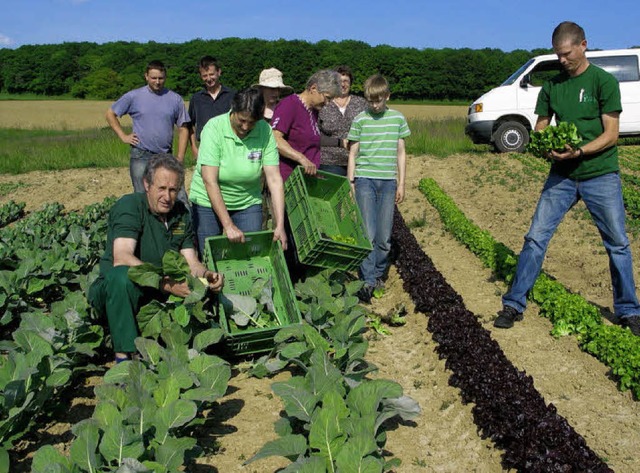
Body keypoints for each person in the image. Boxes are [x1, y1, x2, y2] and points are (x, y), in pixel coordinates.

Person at [494, 21, 640, 337]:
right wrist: (547, 147)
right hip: (561, 176)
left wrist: (580, 152)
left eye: (566, 54)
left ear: (583, 45)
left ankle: (628, 311)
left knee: (617, 244)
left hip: (600, 174)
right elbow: (542, 127)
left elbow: (611, 135)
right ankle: (514, 304)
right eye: (558, 55)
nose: (562, 60)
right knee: (535, 238)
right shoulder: (552, 87)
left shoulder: (603, 82)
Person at [88, 154, 223, 362]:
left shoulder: (180, 214)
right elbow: (122, 257)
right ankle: (124, 357)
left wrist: (206, 274)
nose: (167, 197)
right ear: (146, 184)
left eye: (173, 190)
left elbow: (190, 261)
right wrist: (165, 284)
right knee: (121, 277)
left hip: (156, 297)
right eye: (161, 188)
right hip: (118, 293)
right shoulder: (131, 206)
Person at [189, 87, 287, 256]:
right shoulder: (214, 128)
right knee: (210, 255)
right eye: (242, 120)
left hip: (247, 201)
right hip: (208, 202)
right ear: (233, 109)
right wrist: (228, 225)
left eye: (252, 122)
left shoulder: (265, 131)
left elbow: (274, 179)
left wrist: (279, 225)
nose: (246, 126)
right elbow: (209, 180)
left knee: (249, 254)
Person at [347, 74, 410, 303]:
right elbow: (353, 153)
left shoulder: (397, 119)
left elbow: (401, 152)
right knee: (368, 234)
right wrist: (351, 181)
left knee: (384, 238)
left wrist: (401, 183)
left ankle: (379, 272)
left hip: (387, 183)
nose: (374, 105)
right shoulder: (360, 120)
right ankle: (368, 281)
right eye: (370, 101)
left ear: (387, 96)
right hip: (365, 180)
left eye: (378, 100)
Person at [106, 60, 190, 193]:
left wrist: (180, 157)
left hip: (165, 155)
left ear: (165, 77)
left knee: (175, 194)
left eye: (161, 78)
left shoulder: (175, 99)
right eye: (153, 78)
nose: (157, 81)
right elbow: (111, 114)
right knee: (142, 195)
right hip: (141, 154)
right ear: (146, 76)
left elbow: (184, 127)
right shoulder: (133, 96)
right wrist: (123, 136)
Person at [271, 69, 341, 182]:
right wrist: (301, 159)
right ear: (313, 88)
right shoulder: (290, 104)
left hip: (305, 180)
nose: (327, 103)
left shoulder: (314, 111)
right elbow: (275, 138)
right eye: (327, 98)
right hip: (288, 179)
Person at [318, 65, 367, 176]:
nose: (343, 84)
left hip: (359, 159)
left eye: (346, 81)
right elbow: (315, 135)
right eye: (339, 81)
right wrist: (339, 142)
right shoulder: (323, 103)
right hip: (329, 160)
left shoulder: (361, 103)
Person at [188, 56, 236, 158]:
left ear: (219, 72)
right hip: (205, 147)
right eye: (205, 75)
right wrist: (193, 147)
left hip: (230, 147)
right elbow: (190, 125)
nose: (209, 79)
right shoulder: (196, 98)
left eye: (211, 74)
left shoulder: (233, 95)